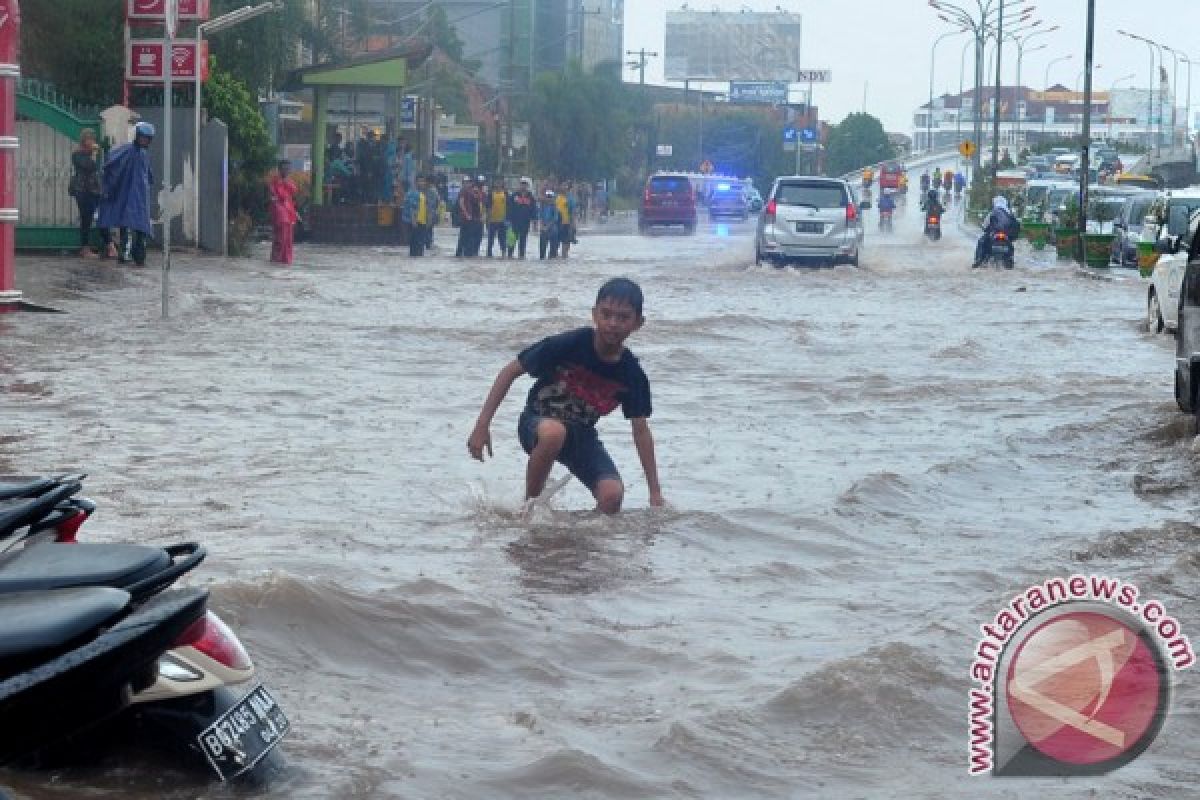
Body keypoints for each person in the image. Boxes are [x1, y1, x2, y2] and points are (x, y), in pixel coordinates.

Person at [467, 277, 665, 513]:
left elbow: (641, 430)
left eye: (623, 317)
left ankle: (575, 542)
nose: (612, 323)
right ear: (594, 314)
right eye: (606, 314)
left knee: (612, 496)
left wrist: (655, 492)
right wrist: (482, 426)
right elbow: (511, 371)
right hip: (536, 423)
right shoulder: (570, 343)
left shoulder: (631, 373)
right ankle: (529, 510)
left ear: (638, 323)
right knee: (553, 432)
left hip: (581, 437)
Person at [97, 121, 155, 266]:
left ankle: (139, 256)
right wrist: (109, 187)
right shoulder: (127, 150)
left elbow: (147, 174)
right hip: (128, 195)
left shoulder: (143, 154)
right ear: (137, 136)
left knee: (141, 228)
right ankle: (125, 254)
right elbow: (112, 165)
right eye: (142, 137)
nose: (144, 141)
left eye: (147, 139)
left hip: (140, 197)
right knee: (127, 225)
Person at [69, 128, 103, 259]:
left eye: (92, 139)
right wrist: (93, 154)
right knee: (86, 219)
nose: (91, 141)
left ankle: (106, 244)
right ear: (84, 140)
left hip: (93, 189)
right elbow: (90, 166)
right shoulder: (78, 154)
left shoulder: (91, 153)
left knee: (93, 217)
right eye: (89, 139)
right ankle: (85, 248)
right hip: (82, 190)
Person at [973, 196, 1019, 267]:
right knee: (1010, 246)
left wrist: (984, 227)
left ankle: (978, 260)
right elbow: (1015, 225)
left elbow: (985, 225)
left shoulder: (993, 212)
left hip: (994, 234)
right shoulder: (1009, 213)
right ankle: (1010, 259)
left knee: (981, 242)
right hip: (1006, 235)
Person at [268, 160, 299, 265]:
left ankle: (286, 262)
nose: (287, 171)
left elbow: (294, 191)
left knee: (288, 242)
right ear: (279, 169)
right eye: (284, 169)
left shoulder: (289, 182)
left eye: (288, 169)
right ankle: (276, 261)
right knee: (280, 241)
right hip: (280, 215)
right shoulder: (275, 182)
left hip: (289, 215)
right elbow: (275, 197)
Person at [507, 176, 537, 259]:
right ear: (520, 185)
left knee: (523, 240)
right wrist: (508, 219)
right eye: (522, 184)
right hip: (514, 221)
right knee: (512, 240)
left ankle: (521, 256)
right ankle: (509, 256)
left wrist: (534, 222)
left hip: (525, 222)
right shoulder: (514, 195)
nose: (523, 186)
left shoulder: (531, 197)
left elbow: (533, 210)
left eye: (525, 184)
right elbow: (509, 208)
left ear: (527, 185)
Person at [402, 173, 431, 257]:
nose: (422, 183)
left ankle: (417, 263)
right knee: (415, 245)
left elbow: (426, 208)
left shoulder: (423, 193)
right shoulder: (413, 193)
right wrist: (413, 222)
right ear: (415, 182)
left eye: (423, 181)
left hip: (422, 222)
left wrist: (428, 221)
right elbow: (412, 209)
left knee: (420, 245)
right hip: (415, 223)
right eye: (420, 181)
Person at [485, 178, 509, 258]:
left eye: (500, 182)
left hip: (502, 221)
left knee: (502, 238)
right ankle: (489, 254)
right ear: (494, 184)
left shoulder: (505, 194)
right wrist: (487, 220)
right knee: (490, 239)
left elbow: (509, 207)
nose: (498, 184)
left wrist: (508, 220)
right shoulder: (491, 194)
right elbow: (488, 208)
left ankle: (503, 253)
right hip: (492, 220)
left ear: (502, 184)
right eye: (496, 182)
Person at [556, 182, 577, 259]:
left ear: (568, 187)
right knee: (555, 244)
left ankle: (564, 259)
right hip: (556, 223)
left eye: (565, 185)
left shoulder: (570, 199)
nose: (563, 187)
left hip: (566, 223)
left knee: (565, 244)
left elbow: (573, 213)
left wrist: (573, 226)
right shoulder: (556, 197)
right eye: (562, 185)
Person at [539, 189, 560, 259]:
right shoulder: (542, 206)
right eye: (547, 196)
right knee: (542, 254)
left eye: (550, 197)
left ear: (553, 198)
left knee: (552, 255)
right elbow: (540, 217)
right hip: (544, 229)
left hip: (552, 230)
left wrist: (547, 227)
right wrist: (542, 226)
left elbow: (555, 219)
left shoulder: (555, 207)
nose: (549, 198)